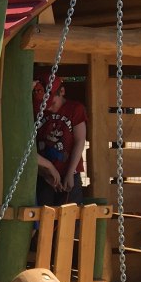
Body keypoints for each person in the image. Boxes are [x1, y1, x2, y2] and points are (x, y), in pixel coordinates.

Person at [33, 76, 88, 205]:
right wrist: (44, 173)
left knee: (71, 215)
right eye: (45, 105)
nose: (48, 109)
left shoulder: (75, 108)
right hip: (45, 175)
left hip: (70, 172)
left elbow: (80, 140)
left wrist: (70, 172)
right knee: (45, 216)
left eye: (52, 103)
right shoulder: (38, 110)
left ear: (62, 92)